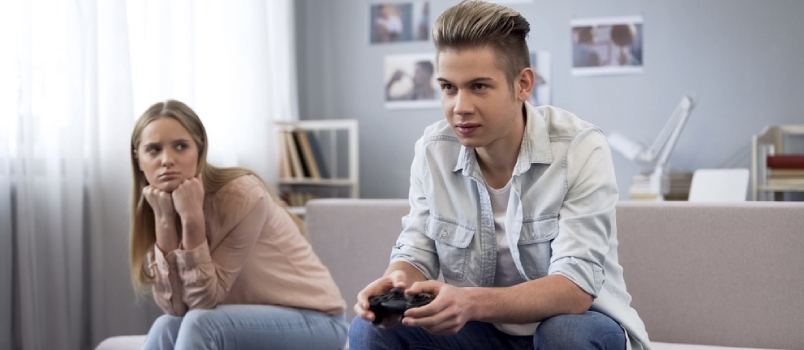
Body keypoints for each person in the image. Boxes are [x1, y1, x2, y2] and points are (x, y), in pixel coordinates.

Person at [349, 1, 652, 349]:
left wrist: (469, 302)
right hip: (483, 331)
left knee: (564, 334)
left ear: (522, 84)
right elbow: (417, 249)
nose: (460, 106)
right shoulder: (433, 150)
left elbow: (574, 288)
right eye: (448, 87)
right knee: (369, 329)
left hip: (578, 326)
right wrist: (396, 282)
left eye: (478, 86)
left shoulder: (580, 148)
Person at [129, 100, 348, 349]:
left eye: (180, 146)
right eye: (154, 150)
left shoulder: (241, 195)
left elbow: (203, 303)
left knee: (202, 323)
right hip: (242, 321)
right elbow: (176, 307)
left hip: (317, 321)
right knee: (165, 325)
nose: (167, 160)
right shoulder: (157, 205)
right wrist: (165, 220)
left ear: (199, 150)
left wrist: (192, 219)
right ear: (139, 159)